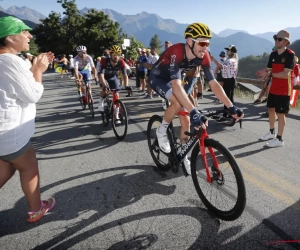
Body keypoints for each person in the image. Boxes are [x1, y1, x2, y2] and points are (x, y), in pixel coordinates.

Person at [149, 22, 243, 174]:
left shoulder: (203, 55)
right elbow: (176, 86)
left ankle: (183, 155)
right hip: (159, 78)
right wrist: (194, 112)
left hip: (176, 81)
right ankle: (161, 132)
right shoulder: (176, 52)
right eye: (202, 42)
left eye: (208, 43)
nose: (206, 47)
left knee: (186, 118)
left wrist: (231, 106)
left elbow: (214, 84)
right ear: (189, 41)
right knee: (179, 104)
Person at [0, 16, 56, 223]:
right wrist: (39, 71)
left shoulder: (7, 61)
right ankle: (36, 209)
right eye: (23, 31)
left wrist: (34, 68)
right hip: (10, 133)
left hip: (4, 135)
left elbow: (18, 86)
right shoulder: (9, 61)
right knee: (29, 167)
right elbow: (32, 94)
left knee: (6, 168)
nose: (30, 35)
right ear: (9, 38)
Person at [257, 30, 295, 147]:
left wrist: (270, 74)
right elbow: (269, 69)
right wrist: (265, 72)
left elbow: (285, 75)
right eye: (276, 38)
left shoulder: (290, 55)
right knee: (271, 110)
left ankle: (279, 139)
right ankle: (272, 132)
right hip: (273, 87)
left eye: (279, 39)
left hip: (284, 89)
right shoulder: (273, 54)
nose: (276, 41)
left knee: (281, 114)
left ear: (286, 42)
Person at [98, 45, 129, 123]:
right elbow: (100, 74)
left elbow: (125, 75)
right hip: (104, 77)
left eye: (118, 55)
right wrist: (104, 85)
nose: (116, 57)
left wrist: (126, 86)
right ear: (110, 55)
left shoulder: (121, 62)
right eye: (114, 55)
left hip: (113, 77)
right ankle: (101, 101)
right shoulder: (104, 61)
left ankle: (116, 115)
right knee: (105, 90)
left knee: (116, 95)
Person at [211, 45, 239, 122]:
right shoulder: (234, 60)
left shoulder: (230, 60)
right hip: (232, 80)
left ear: (232, 52)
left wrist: (213, 59)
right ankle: (232, 114)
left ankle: (225, 116)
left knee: (226, 99)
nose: (227, 52)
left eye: (228, 50)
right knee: (230, 99)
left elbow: (221, 66)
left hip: (228, 80)